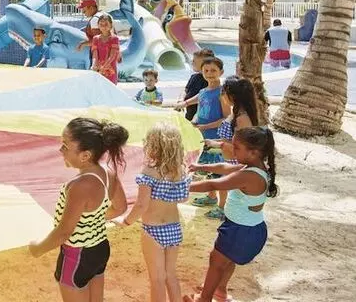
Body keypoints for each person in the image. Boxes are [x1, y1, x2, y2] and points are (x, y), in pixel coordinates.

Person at [28, 117, 128, 302]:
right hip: (99, 248)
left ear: (85, 155)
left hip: (76, 256)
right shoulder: (108, 173)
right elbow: (120, 207)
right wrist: (93, 219)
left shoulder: (79, 186)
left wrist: (38, 249)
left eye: (65, 146)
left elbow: (64, 232)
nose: (61, 150)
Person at [185, 127, 278, 302]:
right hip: (248, 228)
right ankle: (220, 291)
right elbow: (225, 167)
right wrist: (200, 166)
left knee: (216, 262)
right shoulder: (255, 167)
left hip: (240, 231)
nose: (232, 151)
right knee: (227, 261)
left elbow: (213, 185)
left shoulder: (249, 176)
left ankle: (204, 299)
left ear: (253, 152)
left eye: (237, 148)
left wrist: (181, 187)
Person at [112, 123, 190, 302]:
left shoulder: (149, 172)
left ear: (153, 146)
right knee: (170, 275)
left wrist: (125, 221)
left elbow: (141, 205)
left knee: (157, 279)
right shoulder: (181, 171)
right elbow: (184, 198)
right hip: (174, 228)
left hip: (153, 230)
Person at [176, 57, 229, 219]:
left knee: (219, 174)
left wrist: (204, 127)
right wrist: (187, 110)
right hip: (204, 138)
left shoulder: (222, 93)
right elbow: (199, 102)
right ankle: (211, 197)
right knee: (209, 171)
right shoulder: (204, 91)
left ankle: (222, 206)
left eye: (213, 70)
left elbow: (226, 118)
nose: (209, 73)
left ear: (221, 72)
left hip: (216, 140)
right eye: (206, 70)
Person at [205, 76, 259, 165]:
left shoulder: (242, 119)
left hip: (237, 164)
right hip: (229, 162)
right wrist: (211, 142)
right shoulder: (235, 112)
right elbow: (228, 140)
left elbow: (244, 149)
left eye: (223, 92)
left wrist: (217, 144)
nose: (221, 95)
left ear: (232, 95)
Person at [179, 49, 214, 122]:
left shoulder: (209, 80)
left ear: (204, 64)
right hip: (189, 114)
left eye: (194, 61)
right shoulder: (194, 77)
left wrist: (185, 103)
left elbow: (203, 96)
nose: (192, 62)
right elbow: (185, 90)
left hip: (201, 118)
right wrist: (181, 99)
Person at [91, 14, 120, 84]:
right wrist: (94, 65)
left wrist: (103, 67)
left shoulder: (114, 38)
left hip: (110, 71)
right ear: (98, 26)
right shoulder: (95, 39)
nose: (104, 26)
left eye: (106, 24)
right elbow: (95, 55)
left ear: (111, 25)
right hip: (99, 70)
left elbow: (112, 56)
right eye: (101, 24)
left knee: (110, 88)